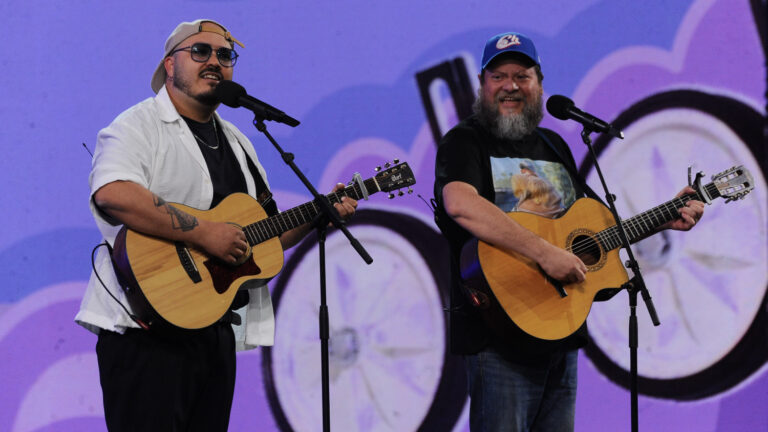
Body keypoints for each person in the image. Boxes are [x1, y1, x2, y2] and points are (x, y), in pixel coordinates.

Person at [75, 19, 357, 432]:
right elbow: (113, 193)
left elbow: (266, 236)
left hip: (213, 331)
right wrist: (204, 233)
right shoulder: (137, 125)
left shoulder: (240, 142)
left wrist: (320, 215)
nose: (215, 62)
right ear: (170, 65)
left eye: (225, 55)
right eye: (201, 52)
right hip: (144, 332)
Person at [433, 32, 704, 432]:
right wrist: (544, 253)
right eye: (499, 76)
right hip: (499, 338)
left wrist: (664, 217)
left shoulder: (554, 144)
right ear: (482, 85)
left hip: (561, 334)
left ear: (539, 84)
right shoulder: (466, 140)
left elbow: (593, 230)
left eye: (522, 75)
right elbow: (460, 203)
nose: (510, 86)